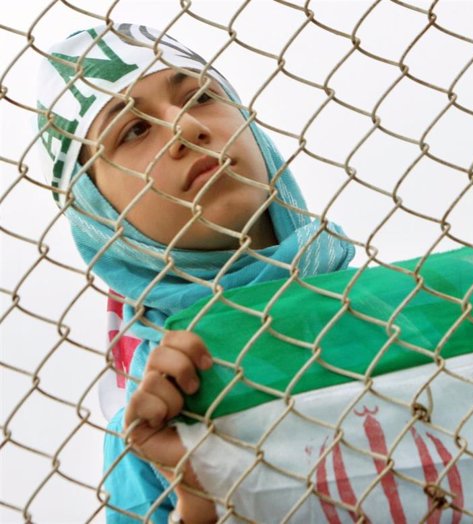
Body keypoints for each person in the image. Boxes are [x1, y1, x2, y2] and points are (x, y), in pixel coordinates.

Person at [36, 24, 354, 522]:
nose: (186, 128)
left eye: (201, 96)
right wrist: (200, 504)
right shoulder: (151, 427)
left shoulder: (406, 304)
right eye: (134, 130)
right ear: (100, 217)